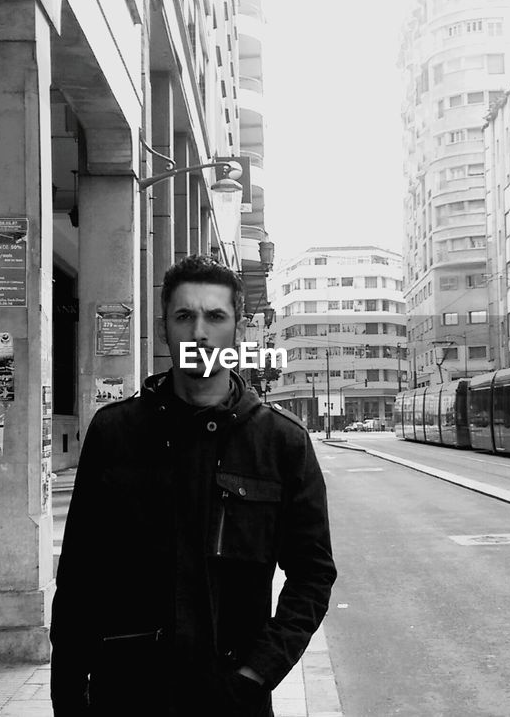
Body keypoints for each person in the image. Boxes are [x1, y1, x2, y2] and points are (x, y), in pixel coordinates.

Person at [50, 255, 336, 715]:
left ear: (236, 331)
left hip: (231, 697)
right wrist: (67, 695)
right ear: (164, 328)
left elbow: (312, 574)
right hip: (126, 694)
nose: (199, 333)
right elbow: (80, 577)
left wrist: (257, 672)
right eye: (184, 316)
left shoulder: (281, 442)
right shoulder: (115, 432)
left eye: (215, 317)